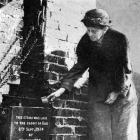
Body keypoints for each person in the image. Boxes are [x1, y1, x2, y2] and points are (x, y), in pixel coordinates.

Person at [41, 9, 138, 140]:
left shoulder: (119, 39)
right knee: (100, 135)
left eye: (94, 31)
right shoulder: (86, 42)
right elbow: (79, 67)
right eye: (88, 30)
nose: (90, 34)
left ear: (104, 29)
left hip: (123, 91)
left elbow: (126, 69)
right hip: (98, 91)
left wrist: (116, 91)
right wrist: (61, 89)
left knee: (123, 135)